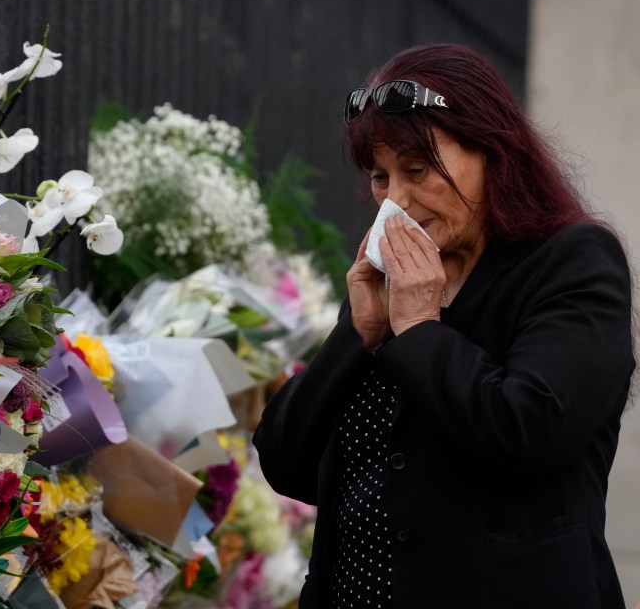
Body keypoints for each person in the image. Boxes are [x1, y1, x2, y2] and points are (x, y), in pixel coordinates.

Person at [252, 43, 635, 608]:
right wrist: (359, 335)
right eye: (380, 178)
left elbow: (528, 434)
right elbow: (286, 464)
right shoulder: (391, 286)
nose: (396, 201)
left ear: (494, 154)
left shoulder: (571, 263)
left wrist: (421, 330)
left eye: (416, 170)